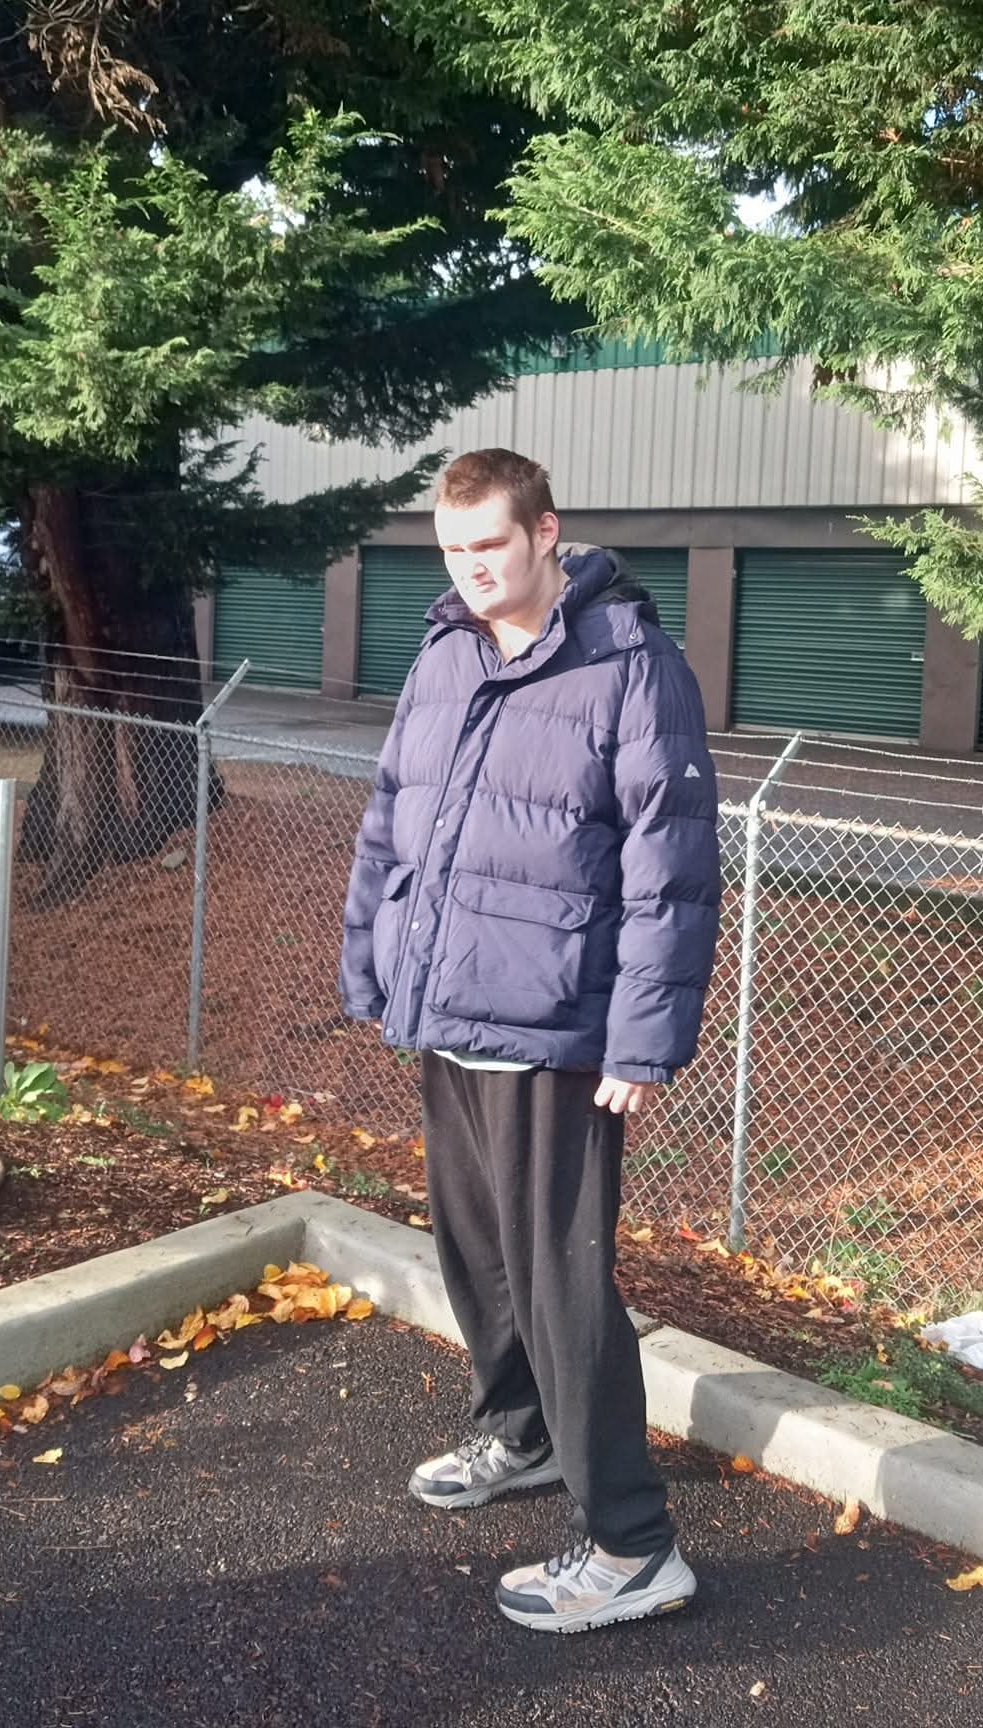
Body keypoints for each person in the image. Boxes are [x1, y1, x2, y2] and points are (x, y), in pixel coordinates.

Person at [339, 448, 722, 1634]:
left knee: (563, 1283)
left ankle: (633, 1543)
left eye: (491, 545)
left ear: (546, 531)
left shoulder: (629, 663)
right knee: (478, 1253)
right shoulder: (445, 652)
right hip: (448, 1013)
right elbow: (391, 818)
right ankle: (520, 1433)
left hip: (558, 1031)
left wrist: (642, 1042)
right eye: (453, 549)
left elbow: (671, 865)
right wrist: (371, 961)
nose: (471, 568)